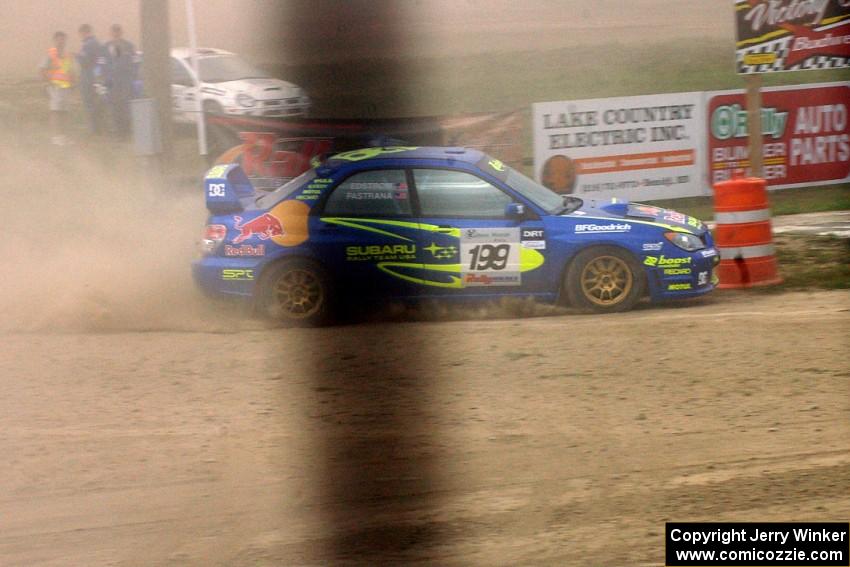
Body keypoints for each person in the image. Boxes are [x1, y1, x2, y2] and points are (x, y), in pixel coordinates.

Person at [40, 31, 74, 145]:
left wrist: (72, 83)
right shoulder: (51, 54)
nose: (62, 41)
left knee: (65, 112)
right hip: (54, 87)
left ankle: (64, 136)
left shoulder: (67, 55)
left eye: (63, 39)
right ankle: (56, 136)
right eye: (59, 39)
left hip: (65, 87)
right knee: (55, 112)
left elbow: (68, 70)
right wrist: (46, 83)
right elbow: (42, 69)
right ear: (55, 40)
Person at [104, 24, 137, 138]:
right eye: (114, 32)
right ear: (111, 33)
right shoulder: (106, 46)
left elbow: (134, 62)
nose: (116, 34)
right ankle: (117, 132)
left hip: (125, 80)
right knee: (113, 105)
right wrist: (104, 79)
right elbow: (103, 63)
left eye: (118, 31)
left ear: (121, 32)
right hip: (111, 81)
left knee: (125, 105)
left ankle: (126, 131)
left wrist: (132, 77)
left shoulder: (128, 46)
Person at [76, 24, 106, 135]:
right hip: (99, 77)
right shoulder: (98, 43)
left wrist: (76, 56)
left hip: (88, 77)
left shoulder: (87, 44)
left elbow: (84, 61)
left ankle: (93, 129)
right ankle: (101, 127)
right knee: (99, 102)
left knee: (89, 102)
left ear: (84, 32)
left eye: (81, 33)